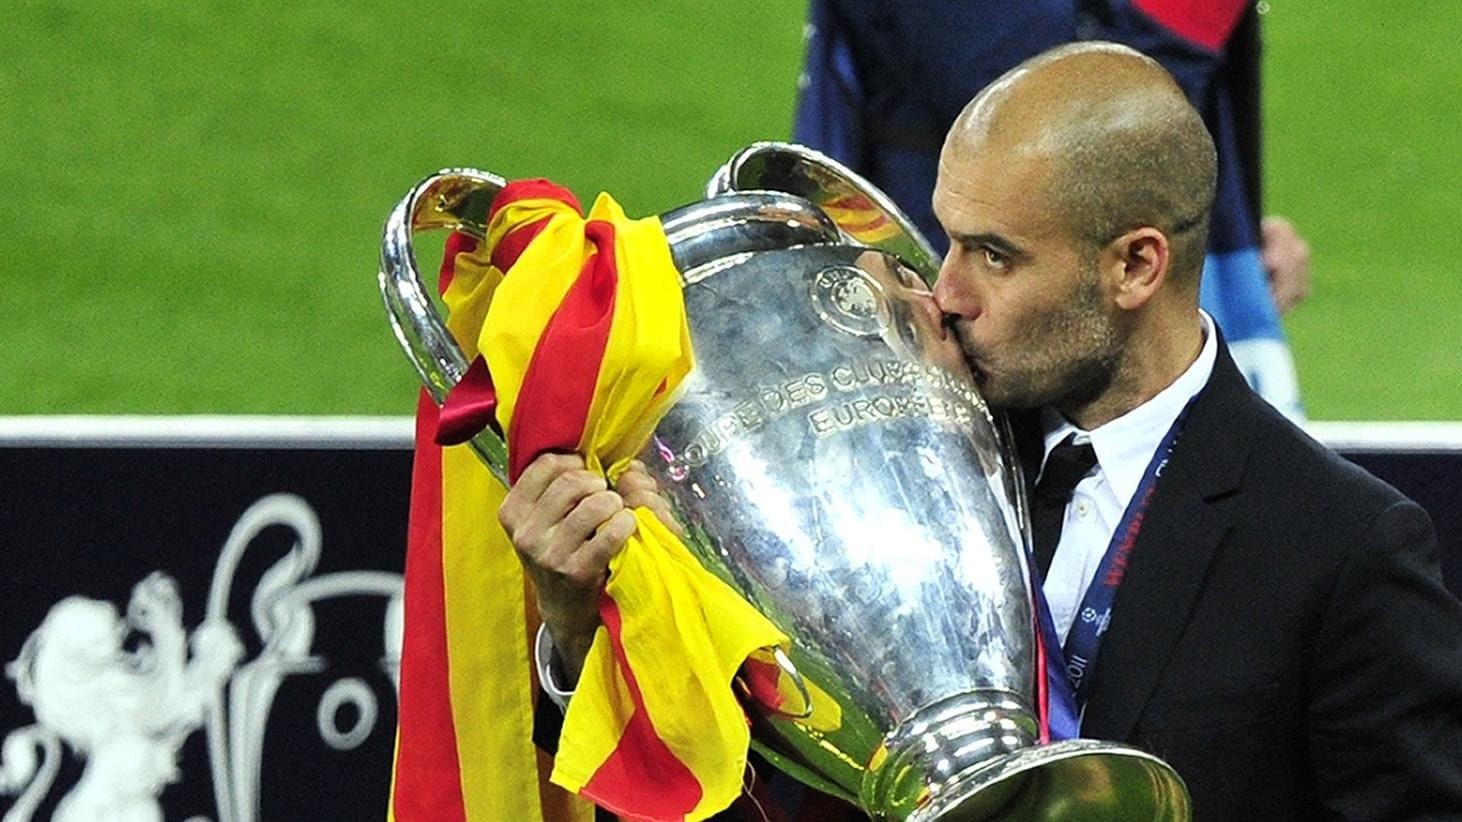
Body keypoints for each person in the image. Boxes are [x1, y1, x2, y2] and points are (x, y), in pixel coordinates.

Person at [502, 44, 1462, 820]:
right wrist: (580, 631)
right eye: (950, 237)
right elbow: (732, 772)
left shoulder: (1340, 552)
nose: (943, 292)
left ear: (1135, 268)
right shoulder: (877, 448)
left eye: (994, 257)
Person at [793, 0, 1310, 422]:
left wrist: (1221, 220)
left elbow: (1169, 118)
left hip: (1132, 271)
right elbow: (1057, 110)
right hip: (973, 297)